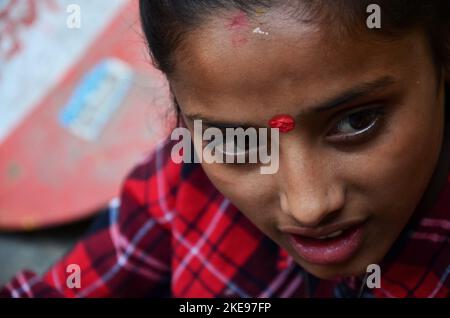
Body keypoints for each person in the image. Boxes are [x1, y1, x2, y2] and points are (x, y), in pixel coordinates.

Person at [1, 0, 449, 298]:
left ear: (442, 53)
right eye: (237, 141)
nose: (309, 206)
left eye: (356, 122)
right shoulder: (186, 181)